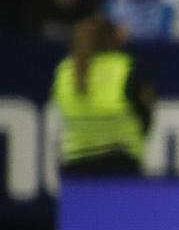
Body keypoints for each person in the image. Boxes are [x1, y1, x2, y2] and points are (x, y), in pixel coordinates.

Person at [51, 15, 152, 177]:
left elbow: (60, 108)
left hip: (75, 164)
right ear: (112, 37)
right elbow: (145, 115)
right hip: (121, 162)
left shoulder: (64, 70)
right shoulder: (125, 68)